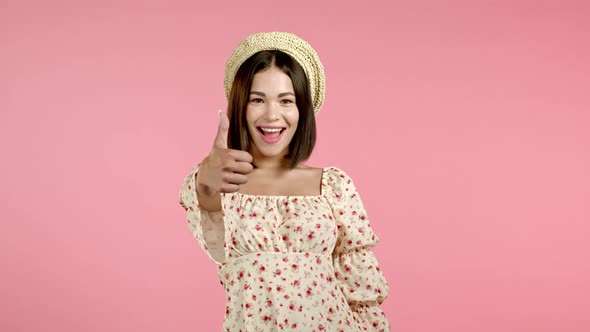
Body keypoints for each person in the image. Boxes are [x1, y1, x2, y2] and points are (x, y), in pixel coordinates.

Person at [179, 32, 391, 331]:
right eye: (257, 99)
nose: (272, 114)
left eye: (286, 100)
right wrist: (206, 178)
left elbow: (361, 293)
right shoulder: (221, 187)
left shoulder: (333, 186)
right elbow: (207, 213)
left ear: (302, 109)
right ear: (240, 106)